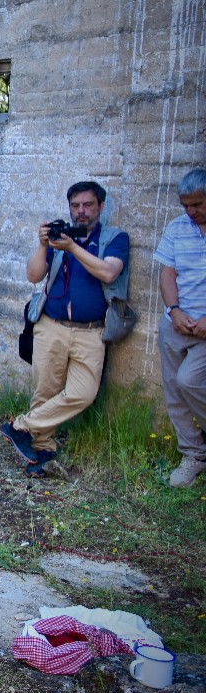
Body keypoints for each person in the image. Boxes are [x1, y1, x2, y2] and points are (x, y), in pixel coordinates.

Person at [0, 181, 129, 473]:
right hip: (51, 324)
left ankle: (20, 426)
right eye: (75, 206)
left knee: (83, 393)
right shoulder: (60, 236)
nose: (81, 212)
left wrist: (73, 247)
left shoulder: (114, 238)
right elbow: (34, 275)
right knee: (45, 389)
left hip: (91, 330)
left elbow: (108, 272)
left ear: (101, 207)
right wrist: (43, 244)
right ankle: (41, 451)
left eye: (88, 205)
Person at [156, 168, 206, 487]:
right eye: (185, 204)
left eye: (198, 204)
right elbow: (167, 272)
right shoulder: (177, 227)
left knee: (190, 380)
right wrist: (174, 311)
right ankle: (193, 455)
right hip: (176, 322)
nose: (190, 211)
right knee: (174, 389)